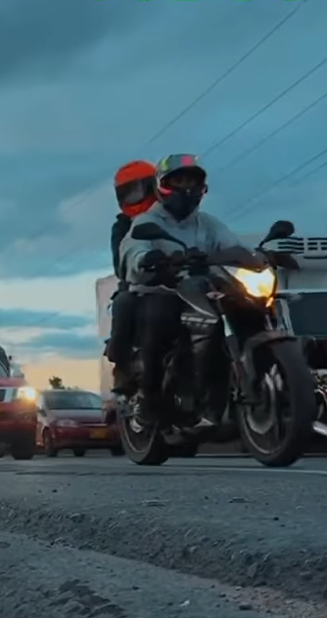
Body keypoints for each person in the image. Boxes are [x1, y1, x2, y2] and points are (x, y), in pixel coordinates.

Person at [118, 154, 263, 426]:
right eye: (180, 180)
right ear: (163, 184)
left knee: (248, 307)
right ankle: (151, 399)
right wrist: (148, 260)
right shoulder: (147, 222)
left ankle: (240, 384)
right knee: (159, 319)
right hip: (161, 290)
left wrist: (258, 257)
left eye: (192, 181)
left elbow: (231, 245)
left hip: (202, 288)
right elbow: (134, 251)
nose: (187, 187)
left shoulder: (208, 223)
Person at [106, 160, 158, 395]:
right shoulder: (122, 226)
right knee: (123, 302)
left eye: (138, 189)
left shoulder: (173, 217)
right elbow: (120, 264)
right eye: (127, 192)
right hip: (140, 284)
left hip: (183, 282)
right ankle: (122, 365)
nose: (133, 197)